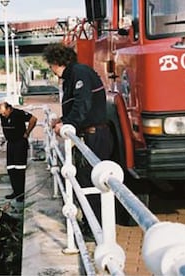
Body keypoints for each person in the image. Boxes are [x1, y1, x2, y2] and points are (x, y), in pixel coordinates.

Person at [42, 42, 113, 224]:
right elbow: (77, 106)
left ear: (57, 62)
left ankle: (97, 227)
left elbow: (83, 104)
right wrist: (62, 120)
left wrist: (68, 122)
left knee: (92, 181)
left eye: (51, 65)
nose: (51, 70)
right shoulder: (73, 75)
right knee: (83, 179)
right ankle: (92, 223)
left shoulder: (78, 73)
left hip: (94, 135)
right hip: (89, 134)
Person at [0, 102, 37, 203]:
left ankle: (21, 194)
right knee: (11, 169)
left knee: (19, 169)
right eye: (1, 113)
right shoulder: (2, 116)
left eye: (4, 113)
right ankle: (15, 192)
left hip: (20, 142)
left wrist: (27, 132)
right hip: (10, 143)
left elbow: (33, 119)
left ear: (9, 109)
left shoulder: (18, 113)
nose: (3, 115)